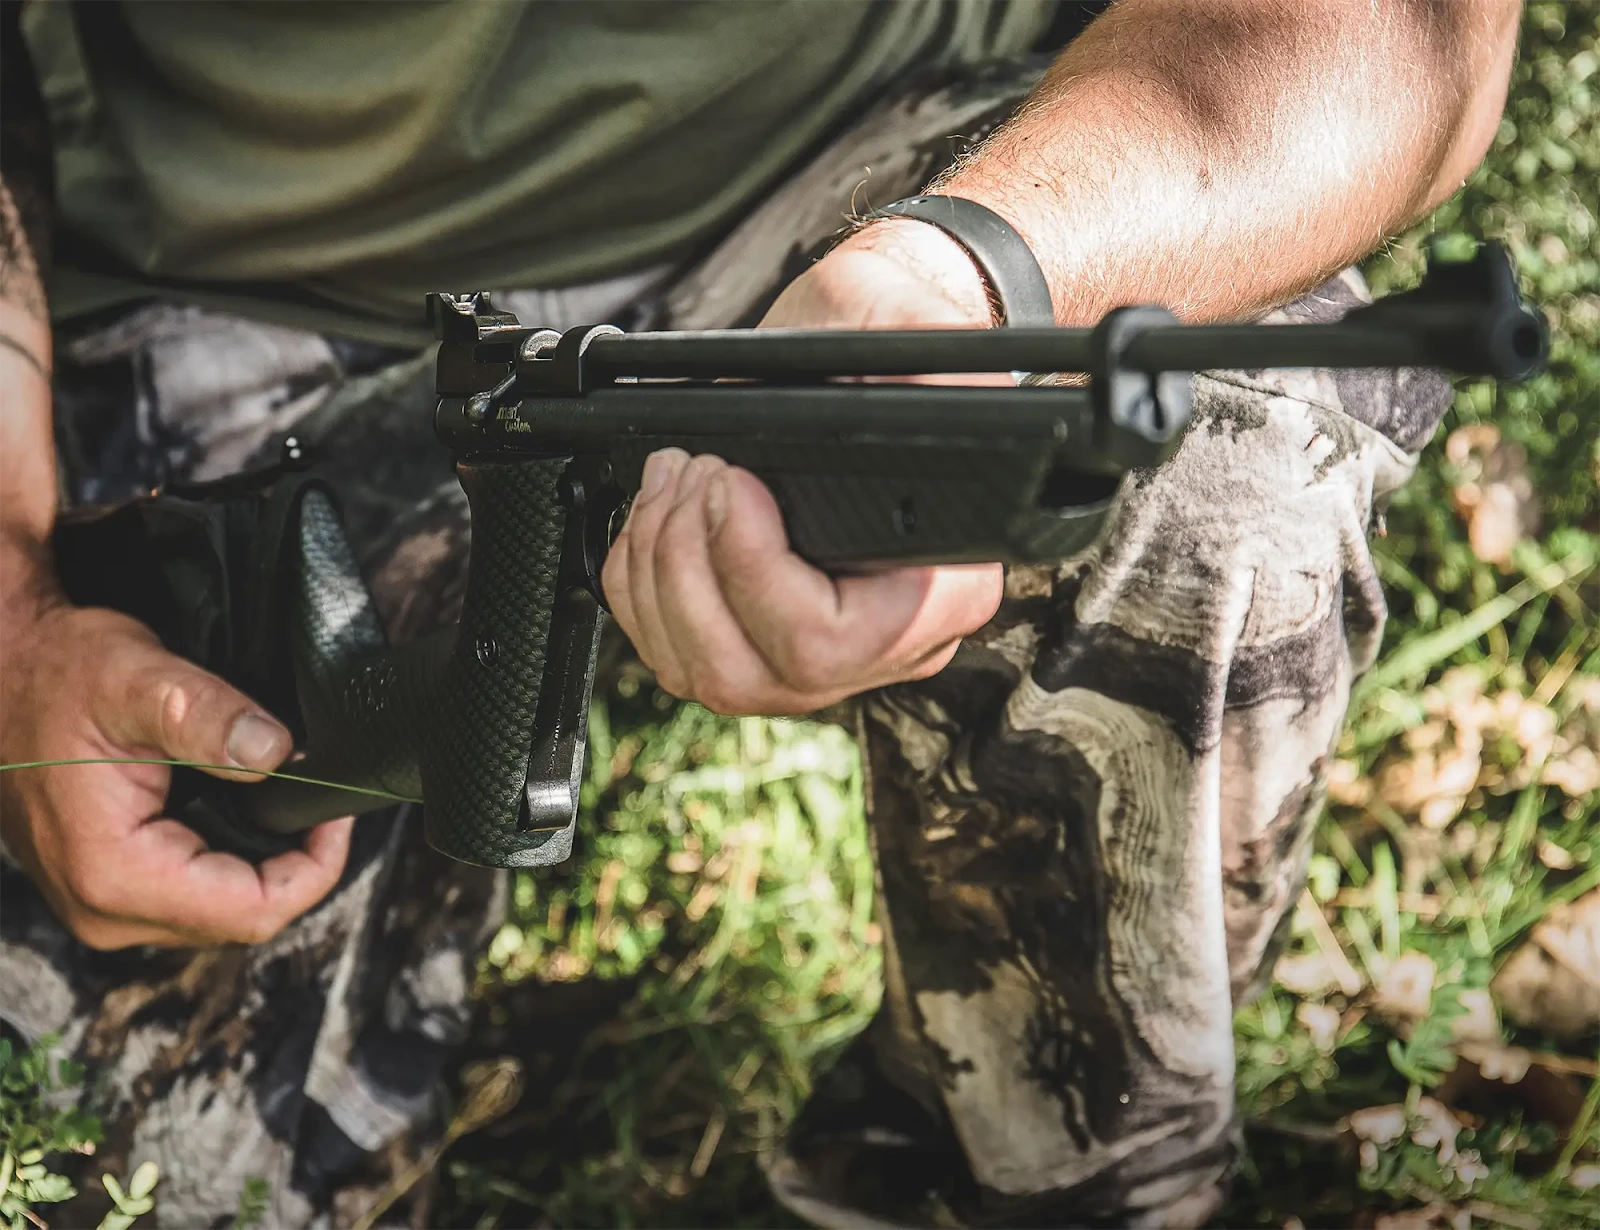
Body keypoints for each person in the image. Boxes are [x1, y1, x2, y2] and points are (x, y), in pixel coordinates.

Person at [0, 1, 1521, 1226]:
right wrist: (11, 600)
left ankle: (1045, 1179)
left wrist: (969, 274)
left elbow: (1407, 28)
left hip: (885, 193)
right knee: (107, 1168)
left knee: (1227, 411)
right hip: (243, 321)